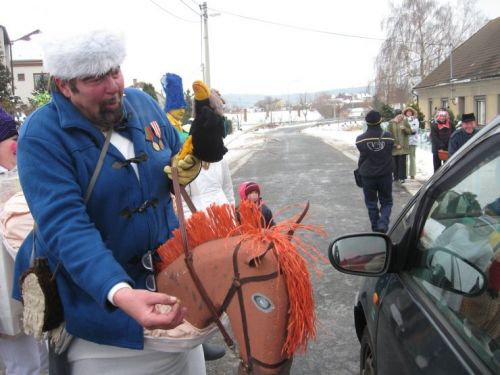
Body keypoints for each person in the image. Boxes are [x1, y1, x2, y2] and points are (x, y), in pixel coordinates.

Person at [12, 29, 215, 374]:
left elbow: (170, 166)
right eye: (95, 78)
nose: (113, 87)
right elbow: (67, 227)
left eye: (114, 71)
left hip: (174, 290)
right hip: (103, 316)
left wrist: (194, 155)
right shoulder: (41, 135)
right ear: (64, 85)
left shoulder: (142, 103)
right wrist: (120, 292)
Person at [162, 72, 231, 361]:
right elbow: (175, 187)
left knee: (223, 281)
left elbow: (227, 184)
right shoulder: (184, 145)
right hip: (195, 221)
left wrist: (233, 212)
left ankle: (214, 331)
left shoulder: (220, 151)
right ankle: (196, 341)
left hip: (222, 217)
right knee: (198, 283)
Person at [0, 108, 49, 375]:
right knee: (25, 363)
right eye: (10, 139)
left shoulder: (16, 176)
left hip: (21, 286)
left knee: (35, 360)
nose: (16, 145)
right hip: (7, 290)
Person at [355, 110, 395, 233]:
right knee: (387, 201)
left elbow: (363, 153)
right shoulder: (389, 136)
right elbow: (389, 150)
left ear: (366, 122)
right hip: (385, 174)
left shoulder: (360, 140)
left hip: (367, 176)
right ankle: (383, 223)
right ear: (380, 121)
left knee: (371, 203)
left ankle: (375, 228)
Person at [387, 109, 412, 183]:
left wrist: (405, 129)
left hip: (403, 146)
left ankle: (402, 177)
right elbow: (388, 135)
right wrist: (395, 144)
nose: (400, 116)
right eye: (398, 115)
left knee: (402, 162)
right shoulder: (391, 123)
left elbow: (410, 132)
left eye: (401, 115)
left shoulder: (405, 122)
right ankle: (396, 177)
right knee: (394, 163)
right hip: (394, 147)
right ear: (395, 116)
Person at [403, 107, 420, 179]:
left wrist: (407, 130)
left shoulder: (415, 120)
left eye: (410, 112)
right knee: (405, 158)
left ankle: (412, 174)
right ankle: (405, 173)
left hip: (413, 141)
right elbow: (402, 128)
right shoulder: (403, 120)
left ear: (412, 113)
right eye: (407, 112)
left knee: (412, 157)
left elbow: (415, 129)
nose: (409, 113)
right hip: (405, 141)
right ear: (405, 113)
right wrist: (408, 130)